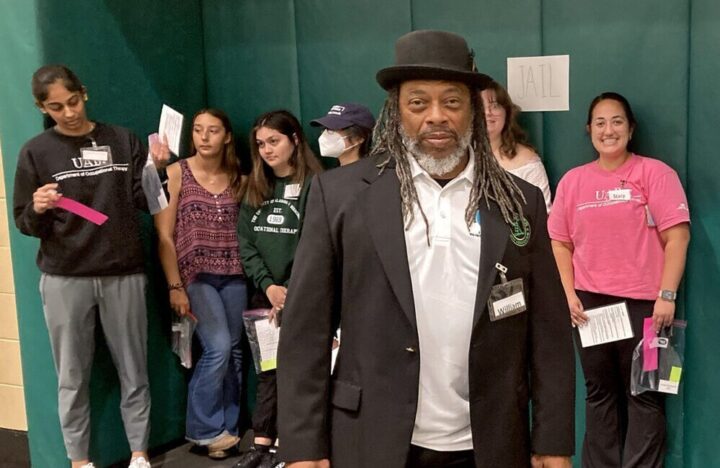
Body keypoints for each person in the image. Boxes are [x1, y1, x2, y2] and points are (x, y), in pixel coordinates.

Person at [276, 30, 575, 468]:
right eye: (419, 103)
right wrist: (303, 447)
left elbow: (548, 335)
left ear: (472, 110)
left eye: (452, 102)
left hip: (490, 443)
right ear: (396, 111)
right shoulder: (339, 195)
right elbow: (305, 333)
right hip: (372, 439)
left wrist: (552, 442)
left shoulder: (518, 202)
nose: (437, 117)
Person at [12, 65, 168, 468]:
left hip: (124, 273)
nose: (68, 112)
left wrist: (160, 168)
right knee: (72, 377)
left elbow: (145, 201)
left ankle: (139, 454)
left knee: (134, 371)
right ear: (42, 107)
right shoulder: (35, 151)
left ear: (85, 93)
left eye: (73, 101)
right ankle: (79, 461)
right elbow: (24, 222)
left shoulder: (122, 140)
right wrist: (38, 207)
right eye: (56, 106)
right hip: (65, 277)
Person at [548, 92, 690, 467]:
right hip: (592, 307)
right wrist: (568, 294)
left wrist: (667, 294)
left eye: (616, 121)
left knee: (646, 396)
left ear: (630, 129)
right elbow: (559, 243)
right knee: (600, 394)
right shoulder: (573, 182)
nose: (608, 130)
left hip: (649, 307)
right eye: (599, 122)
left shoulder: (655, 174)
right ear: (589, 130)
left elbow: (678, 237)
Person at [154, 108, 246, 459]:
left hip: (235, 275)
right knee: (218, 346)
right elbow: (164, 236)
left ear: (226, 136)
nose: (204, 137)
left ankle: (228, 430)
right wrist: (174, 286)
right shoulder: (177, 173)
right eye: (197, 130)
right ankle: (203, 429)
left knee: (236, 354)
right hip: (195, 276)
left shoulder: (239, 176)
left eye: (213, 130)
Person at [233, 110, 323, 468]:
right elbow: (246, 242)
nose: (267, 150)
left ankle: (292, 445)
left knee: (297, 372)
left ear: (294, 140)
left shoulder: (316, 185)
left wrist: (288, 290)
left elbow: (314, 243)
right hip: (264, 295)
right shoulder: (256, 185)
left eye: (274, 141)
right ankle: (262, 443)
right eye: (260, 144)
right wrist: (269, 286)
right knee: (267, 370)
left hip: (301, 294)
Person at [481, 80, 552, 212]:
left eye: (495, 106)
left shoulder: (528, 162)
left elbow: (543, 214)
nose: (488, 112)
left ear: (506, 112)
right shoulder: (456, 158)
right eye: (480, 106)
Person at [310, 103, 375, 166]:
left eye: (332, 129)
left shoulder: (373, 174)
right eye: (325, 129)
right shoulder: (331, 175)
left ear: (359, 137)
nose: (325, 135)